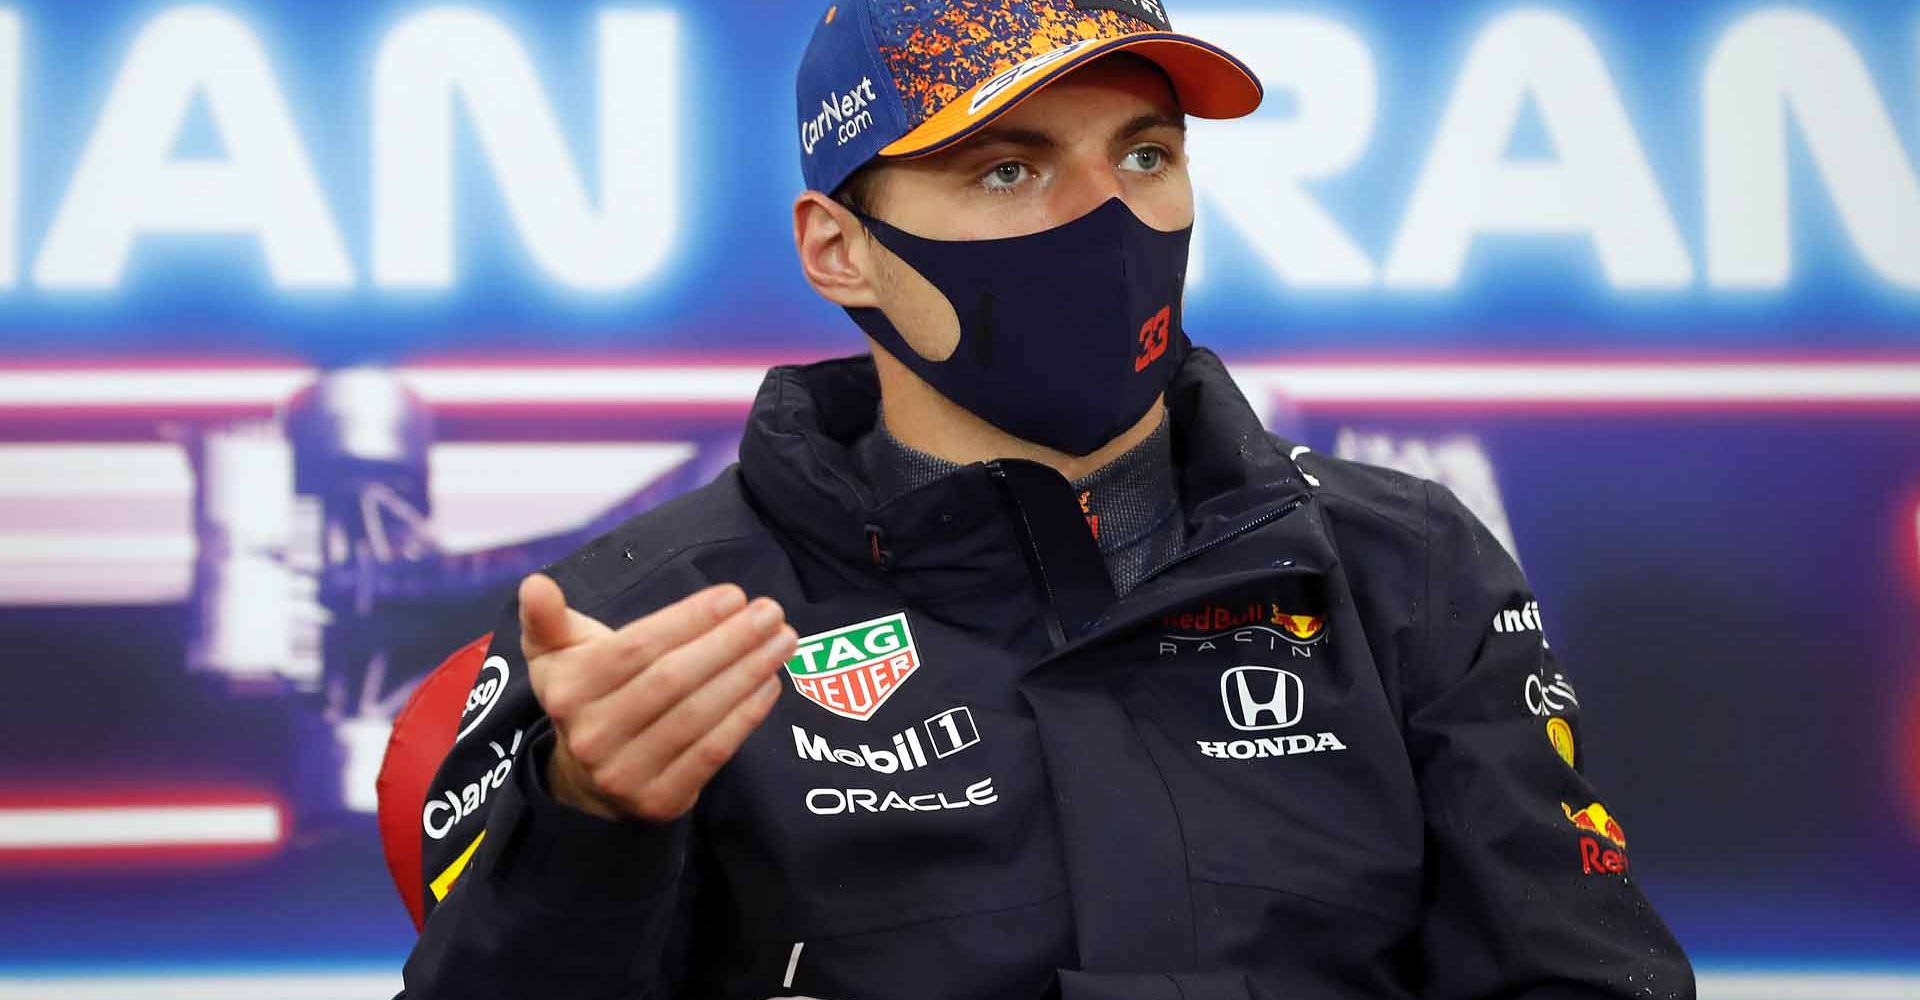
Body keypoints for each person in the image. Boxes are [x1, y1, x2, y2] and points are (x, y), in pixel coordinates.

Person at [400, 1, 1695, 997]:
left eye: (1144, 154)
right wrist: (587, 829)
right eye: (1008, 172)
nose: (1106, 219)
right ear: (838, 249)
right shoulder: (635, 627)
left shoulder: (1401, 568)